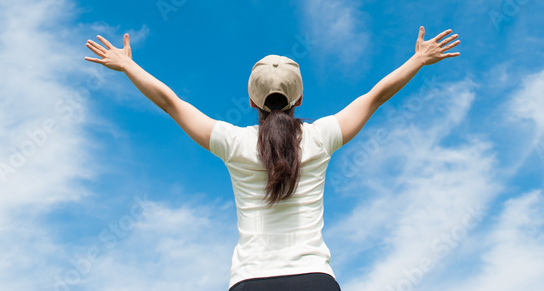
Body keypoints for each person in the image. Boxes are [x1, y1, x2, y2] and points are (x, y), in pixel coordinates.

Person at [85, 25, 460, 290]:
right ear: (299, 100)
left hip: (251, 280)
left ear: (251, 101)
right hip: (314, 279)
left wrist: (128, 65)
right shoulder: (320, 137)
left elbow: (171, 103)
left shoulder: (232, 143)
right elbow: (375, 96)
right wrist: (418, 60)